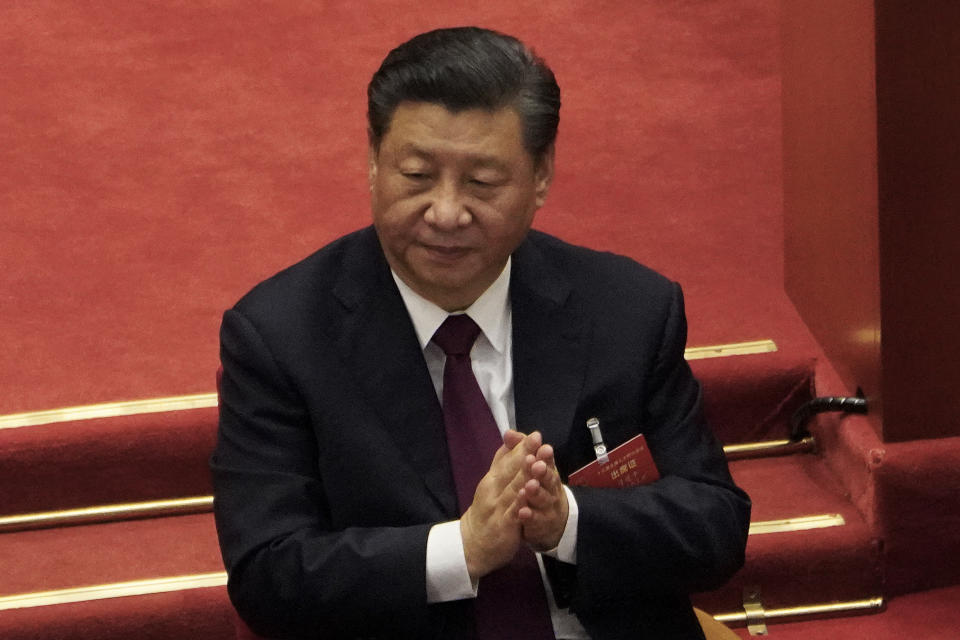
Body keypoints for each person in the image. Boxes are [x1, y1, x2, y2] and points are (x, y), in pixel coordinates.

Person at [211, 26, 750, 640]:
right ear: (372, 160)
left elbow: (716, 530)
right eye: (415, 175)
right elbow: (269, 574)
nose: (445, 213)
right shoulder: (280, 337)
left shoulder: (627, 309)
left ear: (541, 175)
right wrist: (460, 550)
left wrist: (567, 522)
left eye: (482, 183)